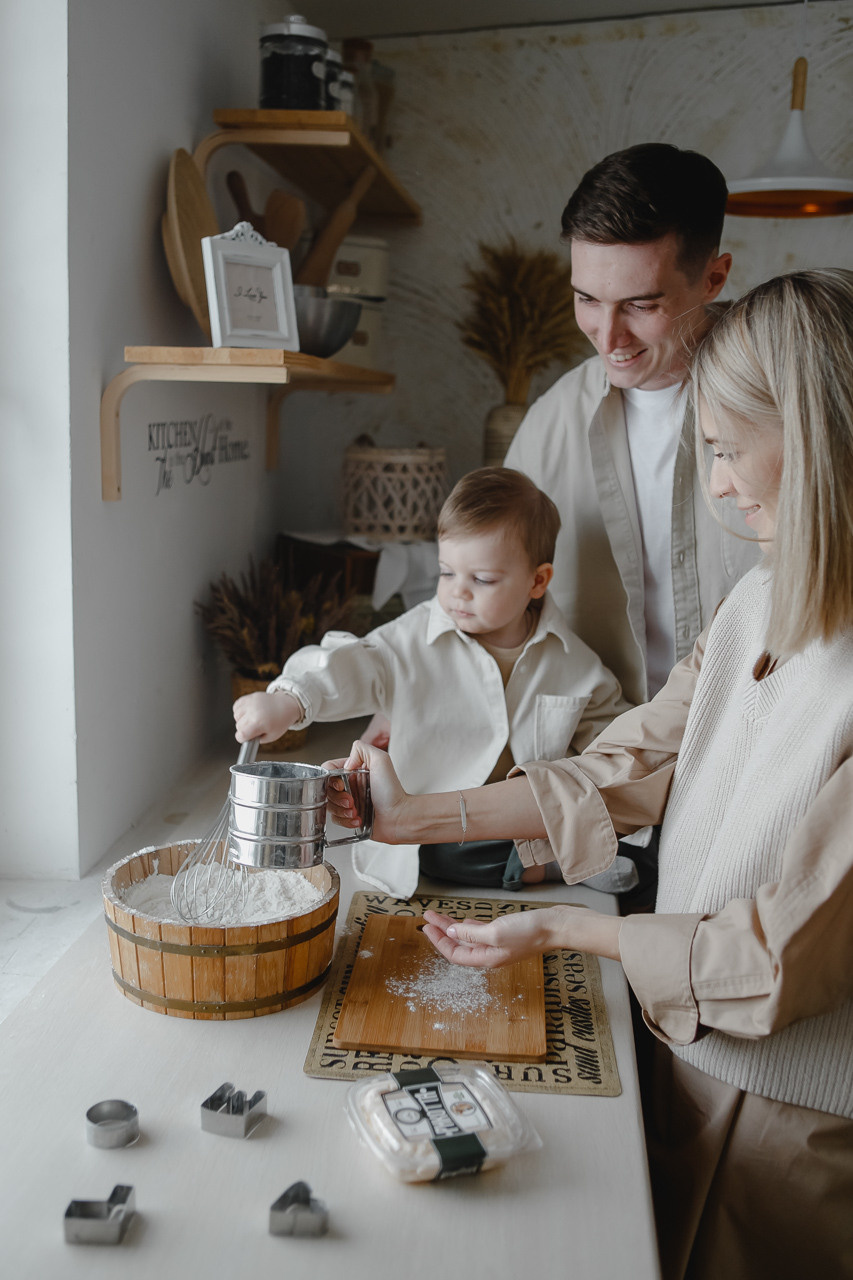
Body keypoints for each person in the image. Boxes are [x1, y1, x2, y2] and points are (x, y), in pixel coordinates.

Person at [326, 271, 853, 1279]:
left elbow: (780, 955)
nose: (718, 484)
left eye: (726, 449)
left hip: (795, 1113)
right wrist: (410, 817)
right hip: (686, 1047)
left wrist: (572, 927)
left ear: (817, 437)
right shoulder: (760, 596)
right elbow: (629, 762)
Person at [234, 467, 629, 898]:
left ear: (537, 581)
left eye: (481, 579)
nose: (458, 592)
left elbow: (613, 732)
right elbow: (349, 665)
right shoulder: (410, 639)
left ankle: (577, 849)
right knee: (438, 853)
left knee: (614, 818)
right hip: (440, 820)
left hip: (525, 816)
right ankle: (552, 867)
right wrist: (290, 700)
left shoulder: (572, 661)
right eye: (446, 573)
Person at [505, 143, 759, 708]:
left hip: (753, 743)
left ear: (713, 278)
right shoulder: (552, 420)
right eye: (586, 299)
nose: (607, 336)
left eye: (641, 305)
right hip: (598, 752)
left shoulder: (790, 404)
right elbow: (480, 585)